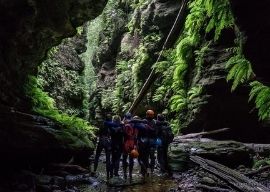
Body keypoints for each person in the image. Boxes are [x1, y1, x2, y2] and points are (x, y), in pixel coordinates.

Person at [93, 113, 113, 180]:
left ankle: (94, 170)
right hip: (107, 141)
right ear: (110, 118)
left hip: (101, 140)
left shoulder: (102, 124)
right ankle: (108, 175)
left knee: (97, 156)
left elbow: (98, 133)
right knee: (108, 158)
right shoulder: (111, 124)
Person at [138, 109, 158, 178]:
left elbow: (155, 133)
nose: (152, 116)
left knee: (148, 158)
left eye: (152, 115)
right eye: (152, 115)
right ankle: (147, 172)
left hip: (147, 143)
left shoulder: (149, 122)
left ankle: (147, 172)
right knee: (148, 158)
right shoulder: (149, 122)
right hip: (148, 143)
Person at [122, 112, 139, 182]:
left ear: (125, 117)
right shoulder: (134, 125)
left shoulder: (125, 125)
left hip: (126, 143)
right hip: (133, 143)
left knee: (124, 158)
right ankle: (130, 174)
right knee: (131, 159)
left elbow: (124, 135)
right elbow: (136, 136)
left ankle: (124, 173)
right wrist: (135, 145)